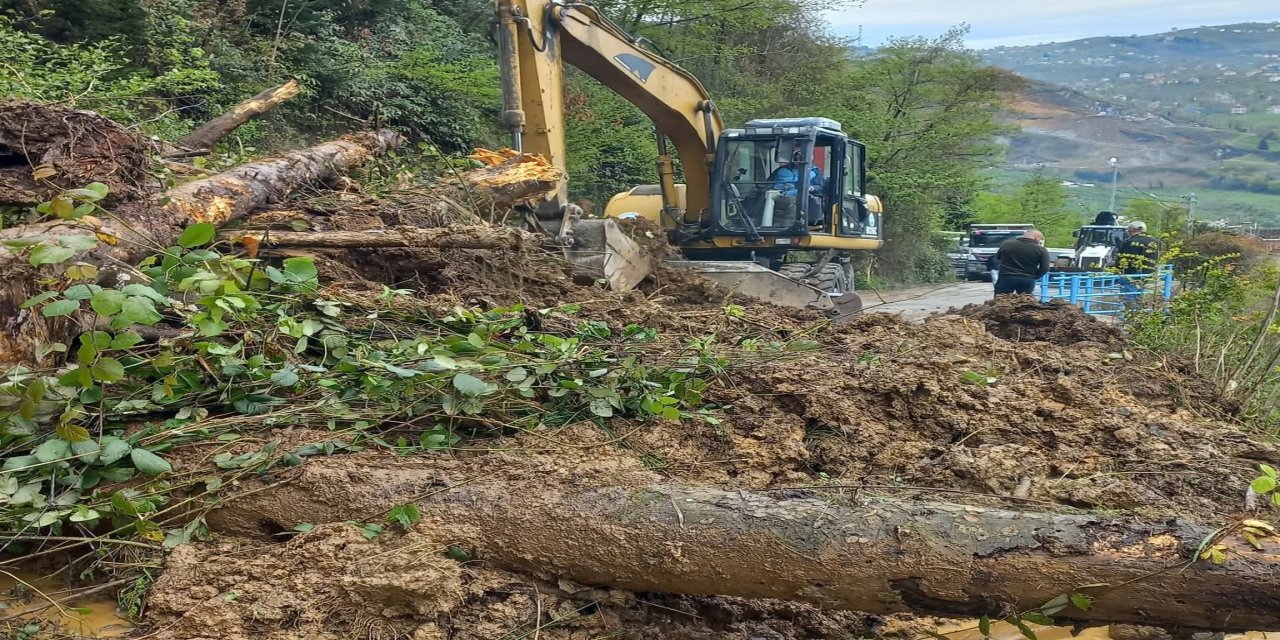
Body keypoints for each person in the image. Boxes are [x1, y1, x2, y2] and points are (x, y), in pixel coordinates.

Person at [992, 229, 1050, 297]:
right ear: (1036, 238)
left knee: (1001, 299)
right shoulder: (1041, 250)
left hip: (1006, 277)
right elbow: (1045, 268)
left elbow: (997, 258)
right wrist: (1035, 276)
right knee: (1025, 301)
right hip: (1027, 279)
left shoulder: (1007, 244)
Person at [1115, 221, 1158, 308]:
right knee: (1139, 295)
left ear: (1131, 230)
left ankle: (1129, 313)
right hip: (1148, 273)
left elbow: (1125, 259)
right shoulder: (1154, 241)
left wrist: (1116, 265)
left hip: (1131, 273)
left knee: (1127, 296)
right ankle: (1138, 313)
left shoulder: (1131, 242)